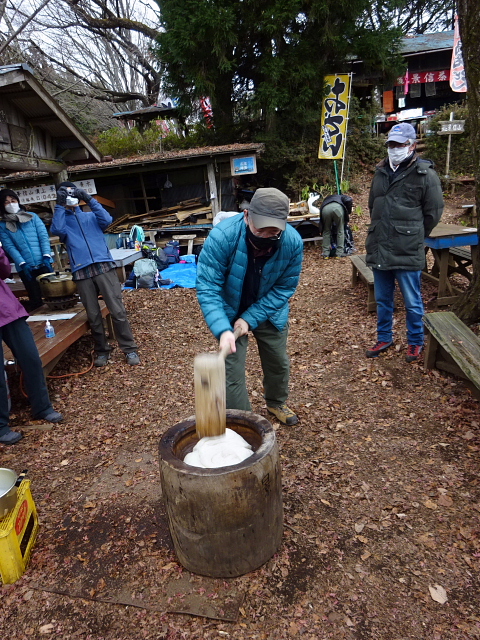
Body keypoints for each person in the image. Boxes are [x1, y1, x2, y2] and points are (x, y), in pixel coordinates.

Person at [196, 187, 303, 425]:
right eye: (259, 228)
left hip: (268, 311)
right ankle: (248, 424)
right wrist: (224, 329)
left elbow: (284, 289)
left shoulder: (292, 243)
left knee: (278, 362)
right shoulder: (222, 237)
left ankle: (276, 403)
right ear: (246, 216)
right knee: (231, 375)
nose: (265, 236)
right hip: (229, 311)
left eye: (273, 231)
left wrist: (250, 318)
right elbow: (208, 287)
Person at [365, 122, 444, 362]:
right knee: (383, 299)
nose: (394, 148)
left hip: (407, 248)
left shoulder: (424, 174)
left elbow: (434, 212)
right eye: (391, 144)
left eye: (399, 144)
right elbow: (373, 206)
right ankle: (384, 337)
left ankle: (416, 341)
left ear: (412, 145)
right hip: (380, 245)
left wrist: (414, 234)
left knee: (412, 300)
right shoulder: (380, 172)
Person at [50, 182, 140, 367]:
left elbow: (107, 220)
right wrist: (59, 205)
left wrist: (89, 199)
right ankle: (102, 350)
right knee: (93, 315)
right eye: (65, 194)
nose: (70, 196)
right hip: (82, 270)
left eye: (73, 192)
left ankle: (129, 349)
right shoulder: (63, 221)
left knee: (117, 310)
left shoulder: (91, 216)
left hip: (103, 267)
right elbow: (57, 230)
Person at [0, 246, 63, 445]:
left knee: (31, 358)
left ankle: (42, 407)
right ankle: (1, 426)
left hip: (7, 309)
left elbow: (4, 272)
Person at [0, 189, 54, 311]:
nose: (11, 204)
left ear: (18, 201)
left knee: (51, 294)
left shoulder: (32, 217)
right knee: (36, 299)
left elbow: (43, 237)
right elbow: (9, 246)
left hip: (43, 262)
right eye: (6, 202)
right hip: (25, 267)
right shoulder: (3, 225)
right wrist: (22, 263)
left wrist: (46, 255)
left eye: (13, 200)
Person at [320, 193, 353, 258]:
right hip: (337, 209)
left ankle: (326, 253)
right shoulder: (342, 197)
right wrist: (348, 212)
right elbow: (349, 200)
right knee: (340, 230)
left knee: (326, 231)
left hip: (325, 209)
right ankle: (339, 253)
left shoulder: (327, 199)